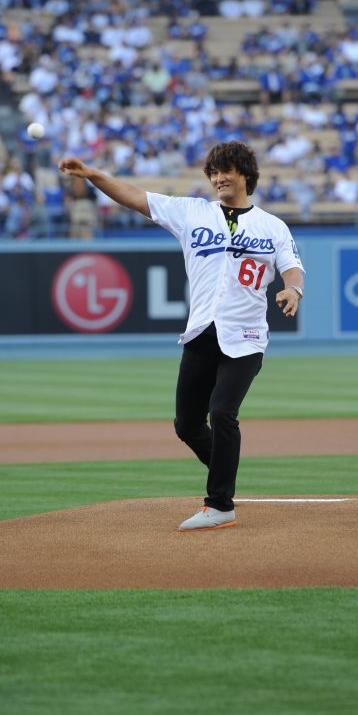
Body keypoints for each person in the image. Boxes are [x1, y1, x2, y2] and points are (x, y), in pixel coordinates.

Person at [59, 140, 306, 532]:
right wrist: (92, 176)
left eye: (226, 170)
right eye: (214, 172)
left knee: (223, 412)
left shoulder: (272, 226)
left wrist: (293, 290)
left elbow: (292, 268)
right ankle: (226, 470)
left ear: (246, 175)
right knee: (187, 424)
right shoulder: (192, 213)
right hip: (202, 332)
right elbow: (137, 198)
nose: (219, 178)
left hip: (245, 336)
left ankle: (219, 504)